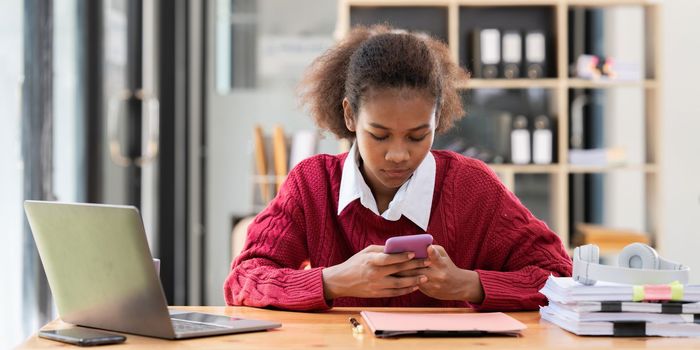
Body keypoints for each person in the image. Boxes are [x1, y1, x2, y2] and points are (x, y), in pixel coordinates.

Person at [224, 25, 572, 311]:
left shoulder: (472, 186)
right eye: (379, 135)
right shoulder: (311, 183)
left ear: (437, 120)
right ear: (350, 115)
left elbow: (560, 278)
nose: (398, 155)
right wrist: (335, 280)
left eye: (418, 136)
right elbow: (244, 279)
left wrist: (469, 284)